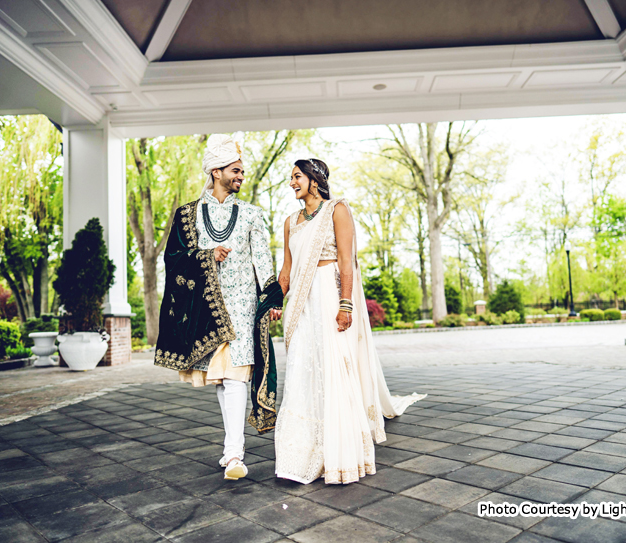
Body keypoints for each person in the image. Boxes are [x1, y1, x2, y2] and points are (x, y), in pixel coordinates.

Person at [274, 158, 425, 485]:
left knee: (333, 366)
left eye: (296, 177)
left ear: (314, 180)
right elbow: (286, 271)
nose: (291, 183)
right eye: (291, 178)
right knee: (303, 367)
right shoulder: (290, 221)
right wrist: (273, 301)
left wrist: (346, 305)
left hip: (329, 295)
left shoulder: (337, 210)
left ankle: (338, 450)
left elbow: (346, 260)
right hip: (301, 301)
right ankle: (299, 451)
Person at [155, 134, 283, 481]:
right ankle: (232, 451)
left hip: (243, 307)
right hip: (206, 310)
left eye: (242, 171)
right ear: (216, 171)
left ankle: (234, 454)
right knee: (223, 380)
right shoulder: (188, 216)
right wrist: (206, 256)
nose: (241, 177)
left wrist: (271, 299)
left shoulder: (253, 214)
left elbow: (263, 262)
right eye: (235, 171)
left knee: (238, 375)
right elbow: (173, 259)